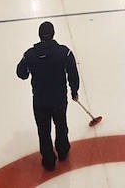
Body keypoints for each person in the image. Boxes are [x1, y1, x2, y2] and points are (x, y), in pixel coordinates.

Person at [16, 22, 79, 171]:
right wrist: (74, 91)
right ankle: (63, 152)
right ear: (53, 34)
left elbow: (21, 73)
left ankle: (49, 160)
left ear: (39, 35)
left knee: (43, 131)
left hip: (40, 101)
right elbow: (73, 73)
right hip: (59, 100)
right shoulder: (64, 52)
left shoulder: (30, 55)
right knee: (61, 125)